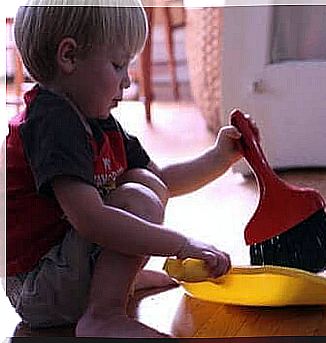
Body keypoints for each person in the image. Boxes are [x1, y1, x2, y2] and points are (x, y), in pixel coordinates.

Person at [5, 0, 249, 338]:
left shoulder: (97, 120)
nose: (127, 82)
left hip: (64, 266)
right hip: (39, 288)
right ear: (69, 57)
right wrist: (181, 244)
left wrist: (219, 158)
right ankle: (103, 314)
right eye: (119, 65)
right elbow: (91, 220)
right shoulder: (51, 122)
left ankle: (113, 284)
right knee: (138, 198)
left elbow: (161, 180)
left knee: (144, 181)